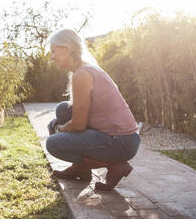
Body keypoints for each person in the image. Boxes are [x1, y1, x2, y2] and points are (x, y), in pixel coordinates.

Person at [46, 29, 140, 190]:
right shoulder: (84, 69)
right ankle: (81, 170)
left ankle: (116, 165)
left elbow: (78, 125)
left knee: (53, 143)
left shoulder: (82, 74)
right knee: (63, 109)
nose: (52, 57)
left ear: (66, 49)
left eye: (54, 51)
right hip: (124, 138)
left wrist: (59, 129)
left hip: (121, 141)